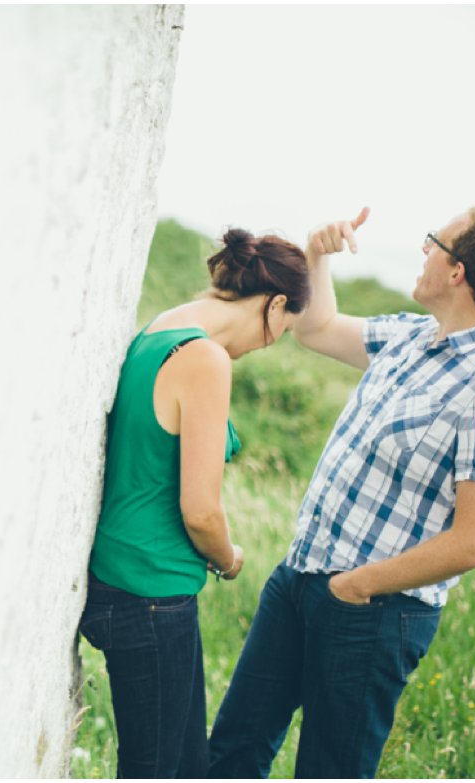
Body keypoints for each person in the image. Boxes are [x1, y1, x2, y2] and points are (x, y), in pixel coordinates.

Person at [207, 204, 475, 778]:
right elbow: (316, 328)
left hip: (372, 611)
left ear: (457, 271)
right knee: (231, 752)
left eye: (434, 241)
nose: (423, 250)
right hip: (299, 578)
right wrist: (317, 256)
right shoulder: (413, 336)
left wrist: (357, 586)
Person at [79, 228, 311, 778]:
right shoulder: (206, 359)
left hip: (122, 583)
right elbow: (201, 511)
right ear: (275, 304)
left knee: (181, 763)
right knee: (158, 769)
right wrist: (229, 558)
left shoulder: (165, 325)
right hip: (151, 595)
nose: (274, 341)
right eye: (286, 327)